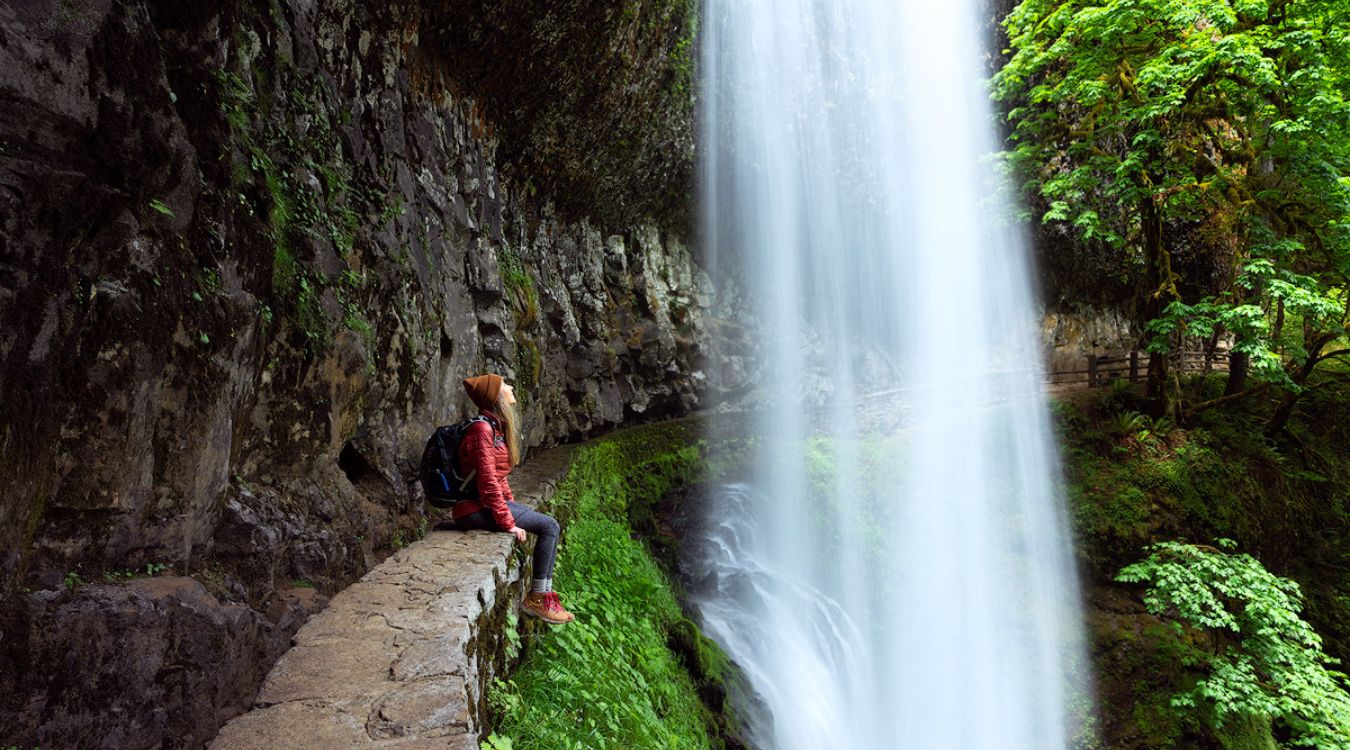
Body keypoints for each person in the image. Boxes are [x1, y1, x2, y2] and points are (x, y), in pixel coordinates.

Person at [451, 373, 575, 625]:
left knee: (540, 520)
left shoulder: (494, 427)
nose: (511, 387)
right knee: (550, 526)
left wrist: (512, 504)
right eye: (505, 385)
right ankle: (538, 597)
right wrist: (508, 522)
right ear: (497, 395)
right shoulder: (482, 430)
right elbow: (487, 483)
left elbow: (499, 476)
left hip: (482, 503)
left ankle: (543, 595)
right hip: (471, 508)